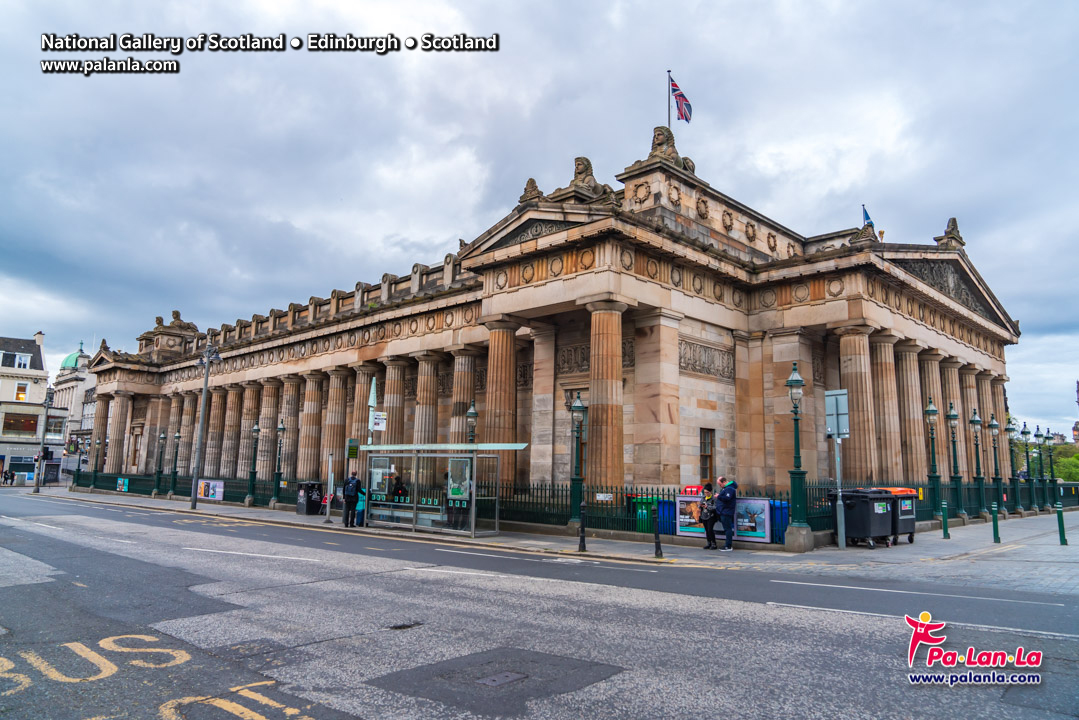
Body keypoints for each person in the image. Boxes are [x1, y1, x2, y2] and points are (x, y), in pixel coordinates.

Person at [716, 475, 738, 551]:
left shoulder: (729, 489)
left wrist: (719, 496)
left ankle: (728, 546)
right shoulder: (727, 488)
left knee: (727, 529)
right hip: (724, 511)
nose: (720, 486)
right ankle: (727, 545)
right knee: (727, 529)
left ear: (724, 482)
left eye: (720, 484)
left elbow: (727, 498)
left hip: (726, 512)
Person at [699, 483, 717, 550]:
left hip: (711, 516)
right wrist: (700, 506)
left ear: (710, 492)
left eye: (707, 492)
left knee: (710, 529)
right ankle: (708, 543)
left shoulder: (713, 499)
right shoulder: (703, 498)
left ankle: (714, 543)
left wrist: (707, 507)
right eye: (705, 492)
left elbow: (715, 507)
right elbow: (699, 506)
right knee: (706, 530)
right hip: (704, 515)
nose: (706, 494)